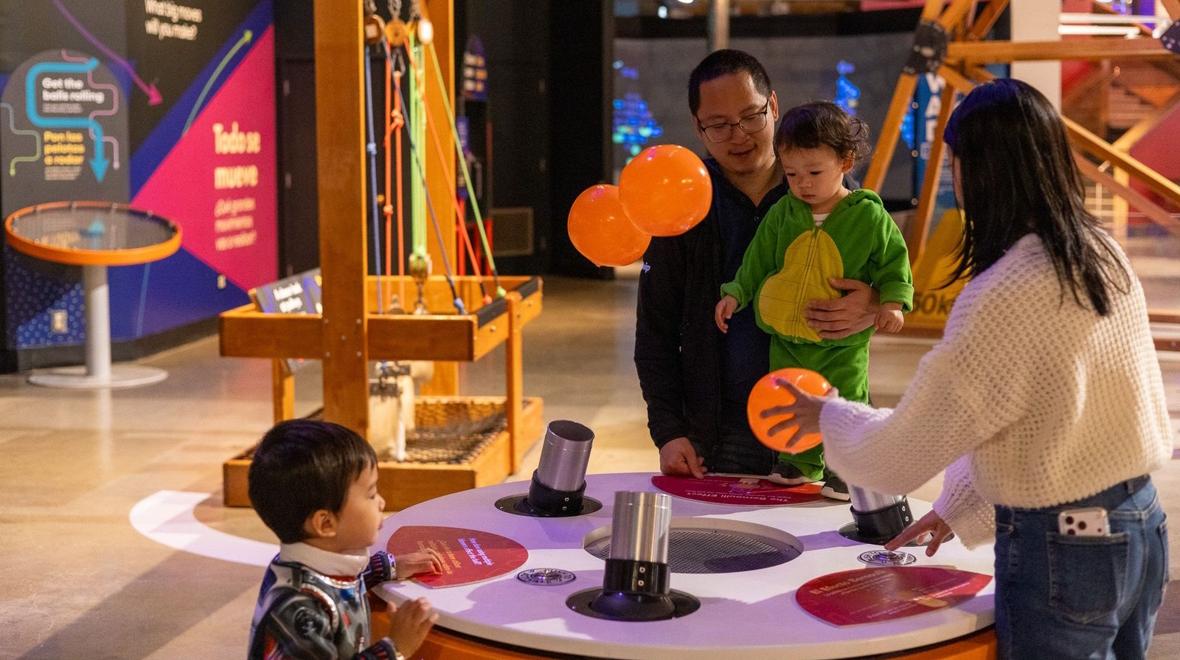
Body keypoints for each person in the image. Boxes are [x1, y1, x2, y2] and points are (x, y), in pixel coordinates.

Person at [768, 79, 1171, 658]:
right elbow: (1045, 421)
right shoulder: (1099, 253)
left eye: (954, 162)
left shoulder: (1004, 292)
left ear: (978, 172)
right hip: (1140, 525)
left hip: (1064, 546)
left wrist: (826, 415)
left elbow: (906, 449)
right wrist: (958, 506)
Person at [635, 49, 880, 482]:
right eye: (719, 125)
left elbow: (891, 272)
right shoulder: (682, 205)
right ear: (698, 126)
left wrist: (874, 302)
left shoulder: (834, 193)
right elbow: (655, 330)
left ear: (774, 105)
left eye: (751, 116)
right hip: (722, 434)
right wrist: (669, 431)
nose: (739, 136)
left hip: (820, 417)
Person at [715, 101, 912, 499]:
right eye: (791, 174)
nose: (802, 183)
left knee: (845, 399)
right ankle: (799, 461)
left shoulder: (868, 216)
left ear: (845, 162)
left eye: (814, 172)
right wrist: (735, 292)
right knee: (792, 396)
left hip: (842, 343)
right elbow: (757, 260)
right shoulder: (783, 213)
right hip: (786, 337)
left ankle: (844, 467)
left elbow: (894, 262)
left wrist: (893, 303)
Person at [247, 419, 445, 659]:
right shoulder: (300, 609)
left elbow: (343, 583)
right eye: (371, 494)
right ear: (326, 524)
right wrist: (395, 648)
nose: (381, 502)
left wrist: (387, 567)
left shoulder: (311, 563)